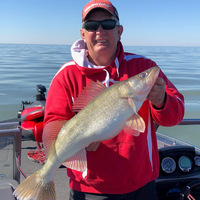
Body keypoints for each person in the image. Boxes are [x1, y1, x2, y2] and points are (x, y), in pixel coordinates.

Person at [43, 0, 185, 199]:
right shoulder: (66, 76)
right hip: (90, 189)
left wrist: (162, 101)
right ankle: (43, 180)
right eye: (91, 26)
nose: (100, 31)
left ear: (119, 31)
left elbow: (175, 115)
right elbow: (53, 125)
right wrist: (80, 139)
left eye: (108, 24)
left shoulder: (143, 66)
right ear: (83, 33)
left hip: (142, 184)